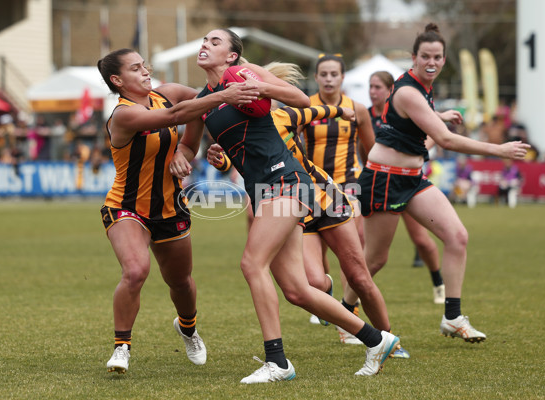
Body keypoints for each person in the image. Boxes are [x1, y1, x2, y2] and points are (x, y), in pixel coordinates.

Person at [171, 28, 400, 383]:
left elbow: (300, 99)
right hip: (263, 189)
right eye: (203, 40)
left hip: (286, 182)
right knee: (296, 289)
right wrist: (183, 157)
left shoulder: (247, 75)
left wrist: (257, 87)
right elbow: (189, 145)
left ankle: (277, 362)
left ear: (232, 56)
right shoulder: (205, 100)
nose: (204, 45)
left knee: (251, 264)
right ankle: (377, 340)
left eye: (214, 42)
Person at [357, 23, 530, 343]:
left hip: (411, 178)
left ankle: (452, 317)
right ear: (414, 57)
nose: (432, 62)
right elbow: (445, 141)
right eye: (425, 56)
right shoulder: (409, 90)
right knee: (375, 260)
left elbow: (419, 124)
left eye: (437, 56)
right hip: (383, 178)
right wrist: (499, 149)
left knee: (457, 236)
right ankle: (344, 310)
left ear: (444, 58)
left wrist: (440, 114)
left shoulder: (424, 87)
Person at [96, 47, 261, 374]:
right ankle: (121, 348)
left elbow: (203, 107)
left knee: (181, 282)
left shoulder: (167, 94)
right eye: (135, 68)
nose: (146, 71)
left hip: (170, 207)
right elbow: (178, 116)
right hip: (125, 207)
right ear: (117, 80)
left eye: (145, 65)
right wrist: (224, 95)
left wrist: (187, 148)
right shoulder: (122, 115)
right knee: (135, 271)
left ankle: (188, 329)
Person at [206, 96, 399, 352]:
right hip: (295, 206)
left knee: (358, 277)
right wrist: (222, 161)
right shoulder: (239, 131)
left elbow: (315, 111)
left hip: (324, 196)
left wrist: (343, 110)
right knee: (314, 284)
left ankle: (389, 341)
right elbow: (240, 161)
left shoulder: (283, 116)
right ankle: (331, 294)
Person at [301, 53, 375, 320]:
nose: (329, 79)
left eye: (334, 74)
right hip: (314, 186)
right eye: (324, 74)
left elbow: (371, 151)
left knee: (353, 243)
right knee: (317, 245)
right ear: (316, 77)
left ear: (343, 77)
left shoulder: (358, 109)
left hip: (347, 184)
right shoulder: (304, 107)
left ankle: (348, 307)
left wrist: (369, 182)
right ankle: (323, 294)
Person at [368, 70, 446, 305]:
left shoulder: (402, 109)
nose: (372, 92)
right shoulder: (365, 114)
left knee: (421, 240)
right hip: (380, 182)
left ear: (390, 90)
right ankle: (353, 298)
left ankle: (438, 284)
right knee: (373, 252)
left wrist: (420, 152)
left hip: (407, 181)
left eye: (377, 87)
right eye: (370, 87)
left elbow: (431, 132)